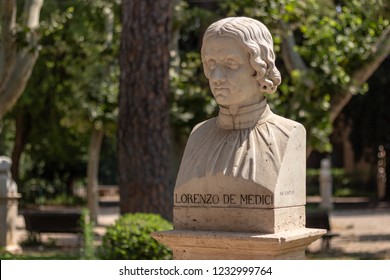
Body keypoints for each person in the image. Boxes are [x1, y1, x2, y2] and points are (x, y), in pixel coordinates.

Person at [174, 17, 306, 206]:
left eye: (231, 63)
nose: (217, 77)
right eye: (211, 64)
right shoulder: (198, 135)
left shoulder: (289, 134)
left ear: (259, 68)